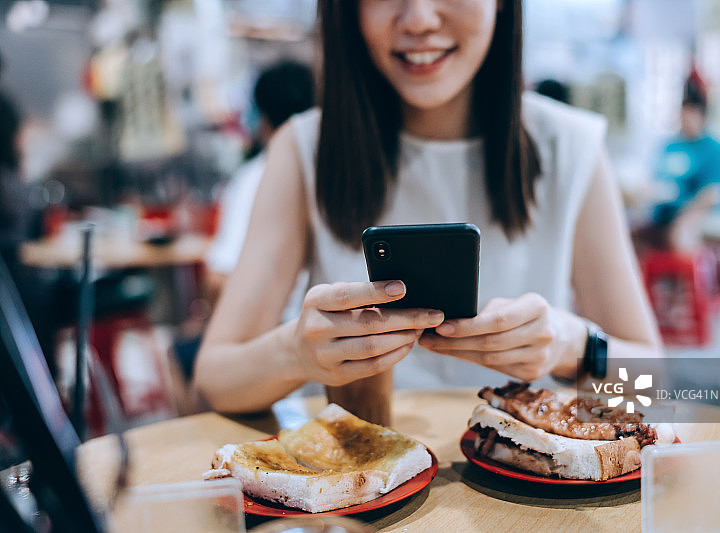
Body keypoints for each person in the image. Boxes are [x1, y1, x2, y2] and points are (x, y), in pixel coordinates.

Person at [194, 0, 662, 415]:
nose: (418, 19)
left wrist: (571, 345)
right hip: (363, 494)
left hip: (530, 492)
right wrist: (296, 353)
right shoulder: (304, 149)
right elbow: (215, 381)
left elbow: (656, 386)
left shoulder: (571, 148)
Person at [203, 60, 315, 298]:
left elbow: (219, 279)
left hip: (272, 324)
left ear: (263, 119)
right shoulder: (344, 172)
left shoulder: (254, 177)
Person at [642, 67, 720, 251]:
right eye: (683, 112)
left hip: (697, 215)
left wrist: (685, 213)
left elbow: (716, 193)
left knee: (680, 234)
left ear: (702, 116)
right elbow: (655, 180)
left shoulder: (716, 150)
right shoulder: (670, 146)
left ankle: (679, 278)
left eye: (691, 113)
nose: (685, 118)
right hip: (663, 213)